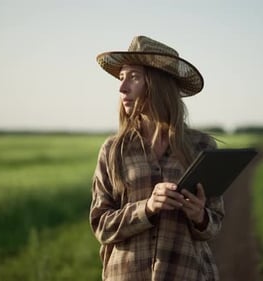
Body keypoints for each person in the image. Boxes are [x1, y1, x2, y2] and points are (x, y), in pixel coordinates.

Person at [90, 35, 224, 281]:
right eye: (121, 78)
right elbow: (100, 225)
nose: (122, 88)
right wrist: (147, 207)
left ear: (158, 83)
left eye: (133, 77)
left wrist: (199, 215)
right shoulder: (112, 150)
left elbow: (214, 224)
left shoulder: (202, 146)